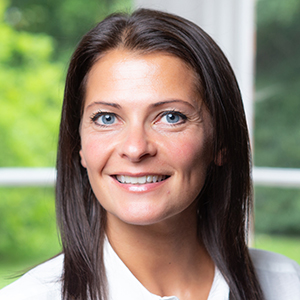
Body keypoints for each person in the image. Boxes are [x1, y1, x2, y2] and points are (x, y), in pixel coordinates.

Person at [0, 8, 299, 300]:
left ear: (220, 142)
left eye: (170, 117)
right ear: (78, 144)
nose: (135, 148)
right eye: (106, 118)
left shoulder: (288, 286)